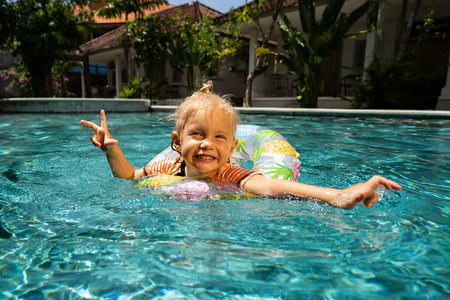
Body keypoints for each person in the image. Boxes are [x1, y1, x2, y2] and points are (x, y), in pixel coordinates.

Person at [80, 82, 401, 209]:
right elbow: (130, 177)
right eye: (197, 135)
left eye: (219, 137)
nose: (208, 144)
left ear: (232, 147)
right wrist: (112, 150)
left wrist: (341, 196)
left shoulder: (232, 176)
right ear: (177, 143)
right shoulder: (168, 166)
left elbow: (275, 186)